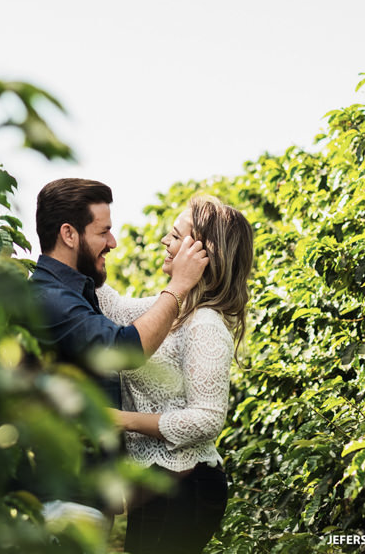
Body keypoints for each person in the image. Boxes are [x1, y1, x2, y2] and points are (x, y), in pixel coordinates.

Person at [28, 178, 209, 530]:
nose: (112, 243)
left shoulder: (80, 295)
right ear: (69, 234)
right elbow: (125, 350)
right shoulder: (49, 298)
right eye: (103, 232)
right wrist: (179, 285)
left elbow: (131, 314)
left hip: (80, 500)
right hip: (63, 502)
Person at [97, 195, 253, 554]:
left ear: (202, 254)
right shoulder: (172, 309)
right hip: (158, 483)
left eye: (175, 235)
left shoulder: (205, 324)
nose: (165, 242)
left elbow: (209, 418)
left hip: (187, 484)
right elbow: (114, 307)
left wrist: (123, 420)